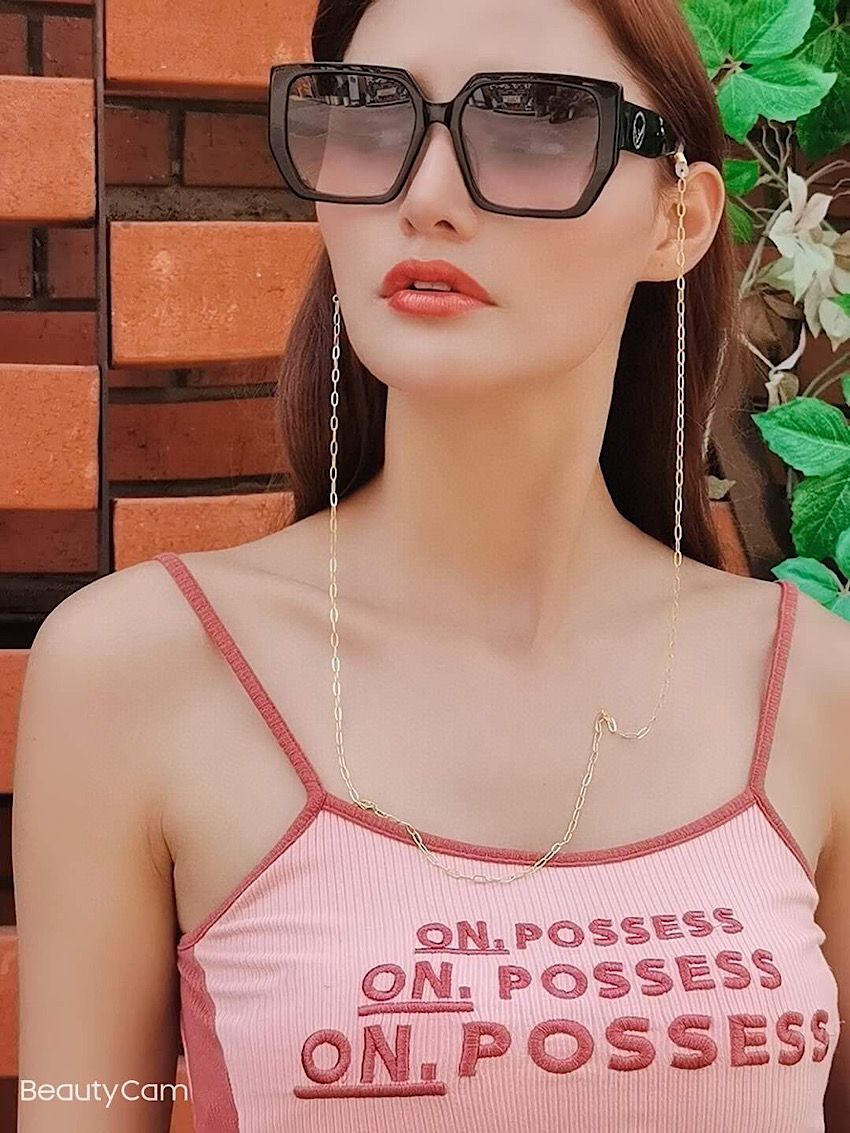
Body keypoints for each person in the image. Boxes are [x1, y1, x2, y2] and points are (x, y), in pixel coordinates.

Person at [12, 0, 850, 1129]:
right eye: (370, 116)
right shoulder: (138, 670)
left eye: (535, 122)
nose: (424, 195)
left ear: (678, 220)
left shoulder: (813, 691)